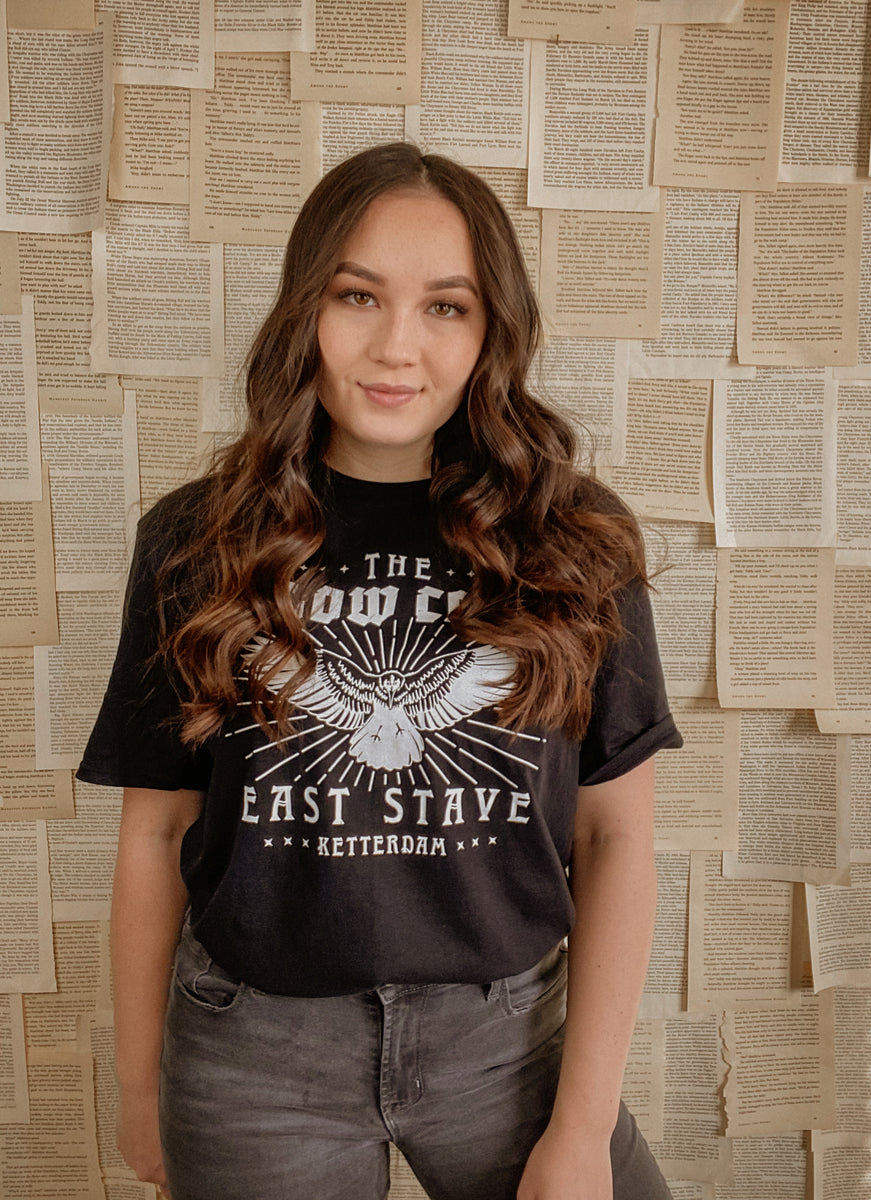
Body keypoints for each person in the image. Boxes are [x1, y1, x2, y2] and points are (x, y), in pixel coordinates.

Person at [77, 142, 682, 1200]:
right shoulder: (192, 542)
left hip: (510, 1042)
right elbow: (158, 834)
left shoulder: (572, 541)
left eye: (446, 306)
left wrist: (582, 1128)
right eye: (359, 294)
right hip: (255, 1054)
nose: (397, 345)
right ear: (307, 306)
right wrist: (139, 1088)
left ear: (492, 329)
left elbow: (616, 834)